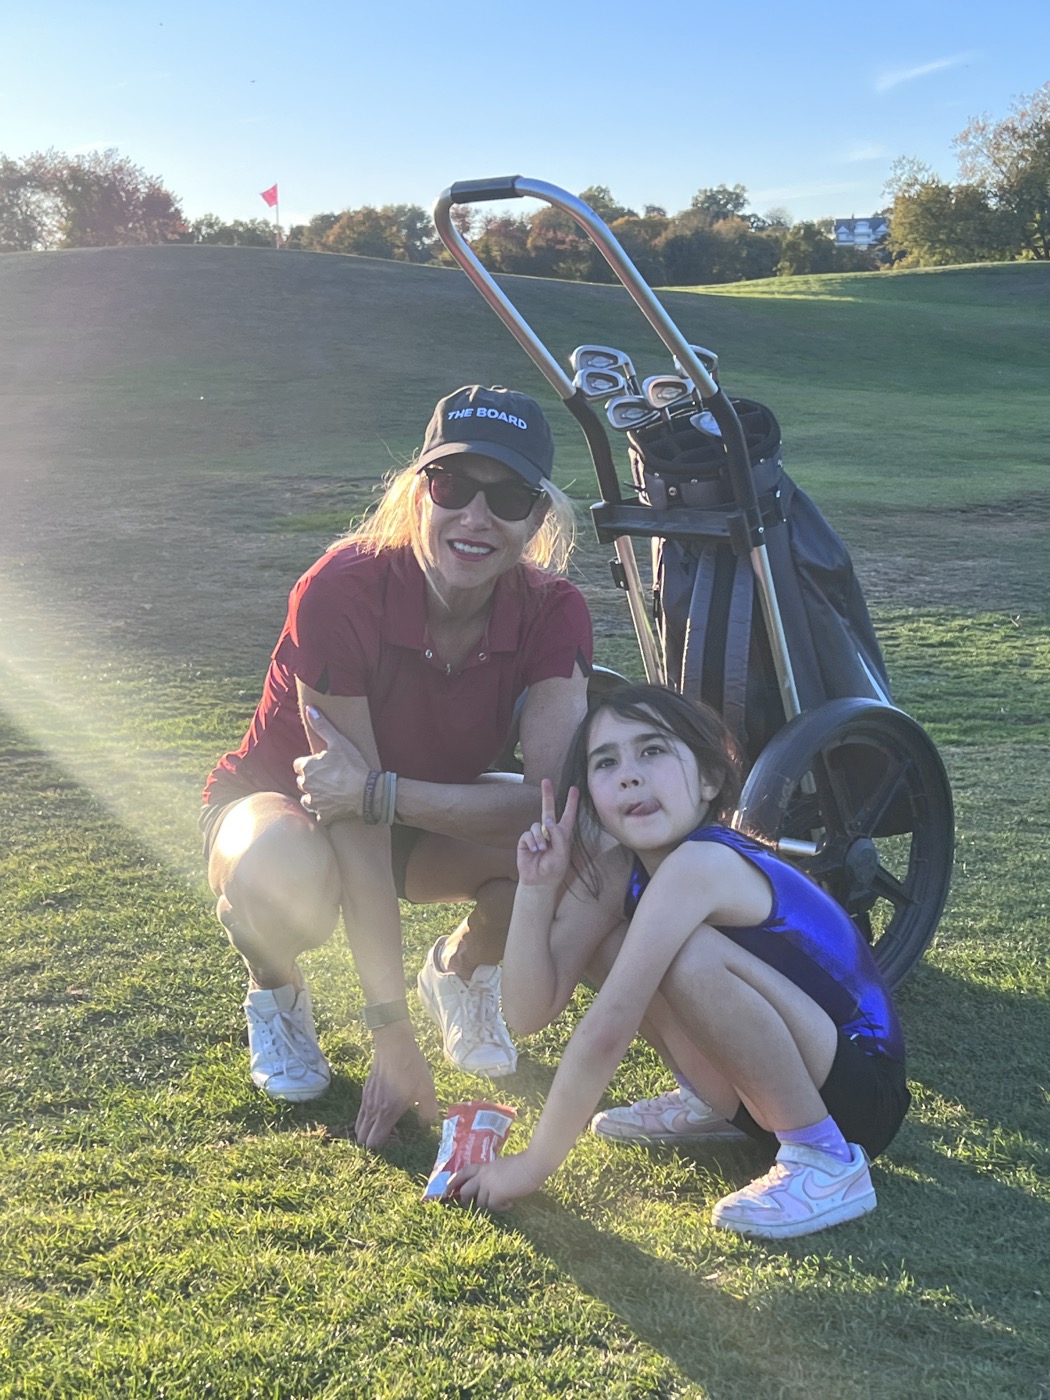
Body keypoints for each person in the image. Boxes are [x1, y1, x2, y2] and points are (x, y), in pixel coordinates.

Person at [200, 385, 593, 1148]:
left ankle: (459, 968)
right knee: (282, 874)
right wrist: (391, 1035)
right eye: (454, 486)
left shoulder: (554, 608)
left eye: (508, 496)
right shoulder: (339, 591)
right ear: (420, 493)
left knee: (554, 858)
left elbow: (555, 807)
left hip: (403, 805)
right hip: (294, 808)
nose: (477, 517)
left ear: (537, 519)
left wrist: (386, 793)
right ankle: (275, 993)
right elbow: (349, 820)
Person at [450, 683, 911, 1239]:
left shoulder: (702, 862)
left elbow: (610, 1025)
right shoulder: (619, 869)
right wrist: (536, 889)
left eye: (653, 750)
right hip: (751, 1098)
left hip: (857, 1094)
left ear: (709, 779)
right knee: (613, 942)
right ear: (591, 794)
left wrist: (532, 1163)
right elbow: (527, 1011)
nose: (630, 774)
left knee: (686, 957)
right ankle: (709, 1103)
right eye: (606, 761)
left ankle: (824, 1161)